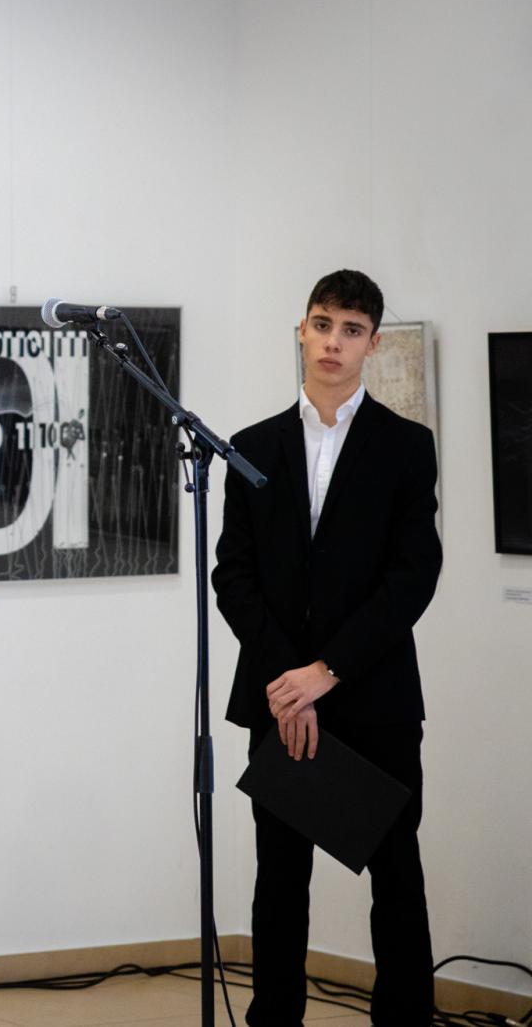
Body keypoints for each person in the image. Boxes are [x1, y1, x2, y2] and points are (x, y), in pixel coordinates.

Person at [213, 269, 442, 1025]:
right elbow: (233, 576)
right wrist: (292, 679)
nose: (333, 342)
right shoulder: (251, 447)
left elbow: (413, 576)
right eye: (322, 324)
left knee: (396, 877)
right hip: (281, 699)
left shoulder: (406, 447)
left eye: (351, 330)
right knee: (279, 879)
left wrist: (328, 670)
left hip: (373, 697)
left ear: (372, 344)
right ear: (301, 332)